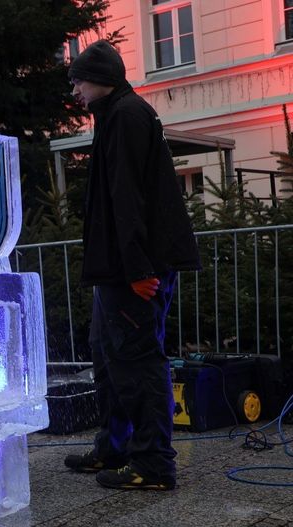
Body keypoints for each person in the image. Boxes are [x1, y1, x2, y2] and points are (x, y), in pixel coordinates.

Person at [62, 40, 201, 491]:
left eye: (79, 80)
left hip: (133, 270)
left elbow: (129, 198)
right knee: (107, 355)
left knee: (137, 362)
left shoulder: (124, 117)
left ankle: (153, 464)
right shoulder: (120, 115)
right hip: (121, 269)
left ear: (99, 79)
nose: (77, 90)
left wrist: (140, 269)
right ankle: (116, 446)